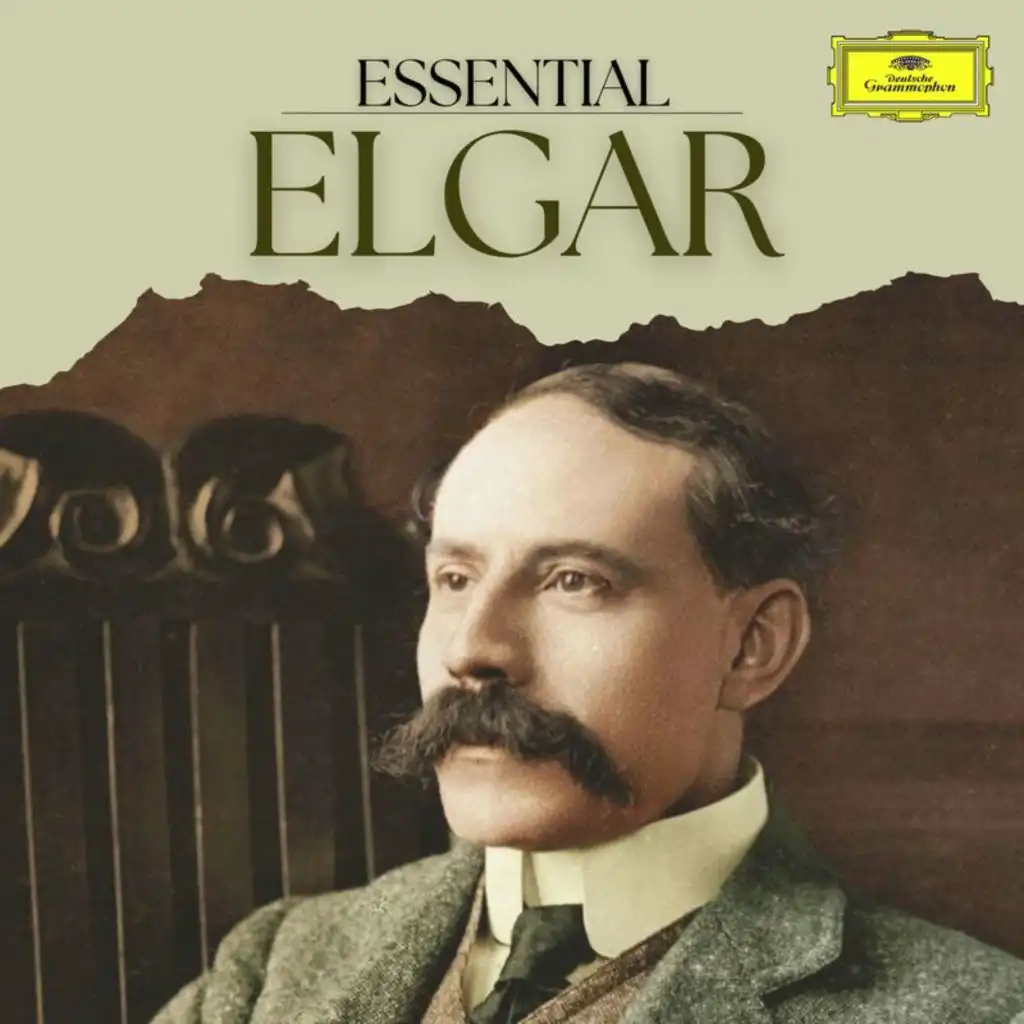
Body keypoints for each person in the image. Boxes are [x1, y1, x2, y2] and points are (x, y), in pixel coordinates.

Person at [154, 362, 1024, 1023]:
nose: (474, 649)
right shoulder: (269, 974)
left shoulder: (972, 1010)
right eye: (455, 579)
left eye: (573, 581)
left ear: (753, 646)